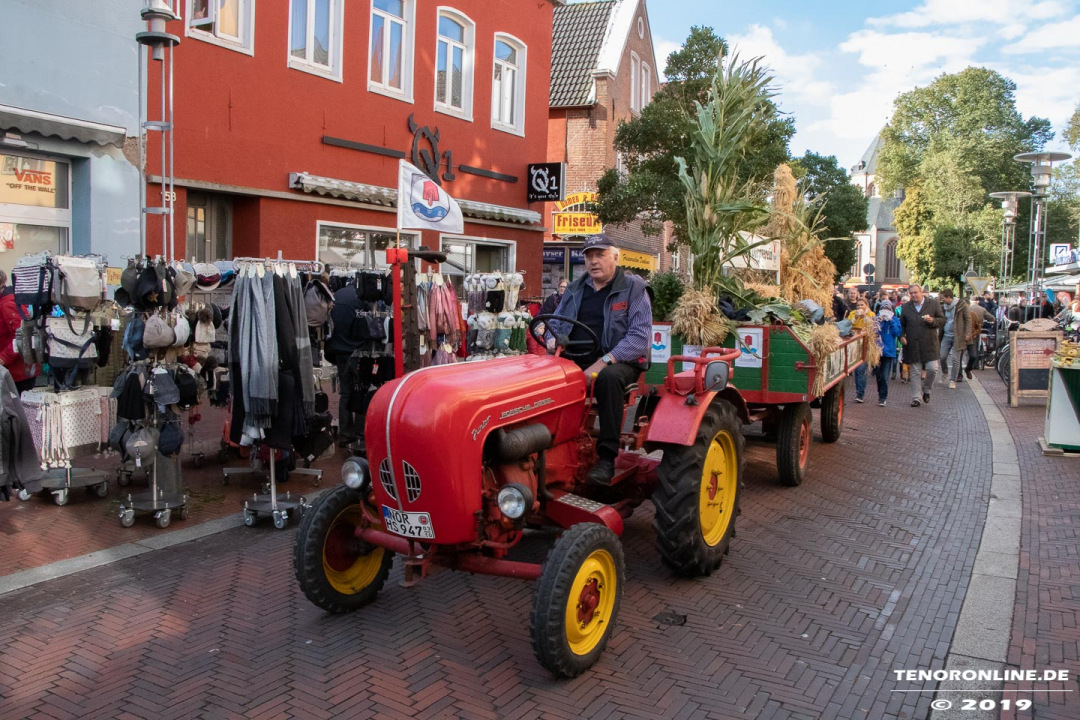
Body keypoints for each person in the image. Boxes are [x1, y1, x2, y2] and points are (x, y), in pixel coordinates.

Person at [548, 234, 651, 484]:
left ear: (615, 256)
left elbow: (639, 338)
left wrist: (604, 360)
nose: (593, 261)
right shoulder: (574, 289)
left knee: (606, 379)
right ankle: (551, 445)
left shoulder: (634, 289)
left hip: (620, 361)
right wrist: (552, 339)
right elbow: (555, 323)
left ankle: (606, 457)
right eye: (589, 255)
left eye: (600, 255)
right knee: (543, 378)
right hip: (576, 356)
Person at [325, 281, 365, 449]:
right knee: (362, 392)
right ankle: (360, 433)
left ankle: (345, 433)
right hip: (359, 350)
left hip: (340, 350)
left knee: (346, 393)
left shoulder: (336, 295)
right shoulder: (361, 297)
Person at [899, 284, 944, 407]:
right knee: (915, 371)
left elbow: (941, 320)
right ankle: (916, 397)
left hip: (929, 343)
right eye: (911, 293)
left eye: (915, 292)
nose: (913, 295)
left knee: (932, 368)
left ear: (921, 292)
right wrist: (902, 336)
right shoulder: (906, 307)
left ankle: (927, 389)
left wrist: (933, 321)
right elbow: (901, 325)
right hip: (913, 343)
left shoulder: (933, 304)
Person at [0, 270, 36, 393]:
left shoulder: (8, 305)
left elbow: (22, 336)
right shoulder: (8, 302)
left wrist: (3, 358)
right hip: (13, 372)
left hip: (17, 374)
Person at [938, 288, 969, 388]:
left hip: (958, 336)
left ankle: (952, 380)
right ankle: (945, 372)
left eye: (944, 298)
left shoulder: (961, 305)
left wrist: (967, 333)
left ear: (949, 297)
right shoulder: (943, 307)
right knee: (942, 357)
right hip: (946, 335)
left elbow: (968, 319)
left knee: (956, 359)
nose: (943, 300)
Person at [846, 298, 875, 402]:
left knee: (861, 369)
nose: (859, 307)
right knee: (856, 371)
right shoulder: (853, 313)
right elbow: (847, 325)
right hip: (854, 345)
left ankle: (860, 394)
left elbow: (873, 326)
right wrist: (855, 317)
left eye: (862, 305)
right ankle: (858, 391)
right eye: (858, 305)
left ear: (866, 305)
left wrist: (865, 317)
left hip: (866, 344)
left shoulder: (871, 314)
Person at [875, 300, 902, 406]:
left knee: (885, 375)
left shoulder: (895, 320)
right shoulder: (876, 319)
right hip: (877, 351)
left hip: (889, 352)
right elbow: (873, 332)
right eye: (883, 309)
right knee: (878, 375)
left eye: (887, 309)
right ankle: (880, 392)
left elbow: (896, 333)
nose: (885, 311)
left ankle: (883, 397)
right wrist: (878, 321)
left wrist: (891, 321)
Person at [966, 298, 991, 378]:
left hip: (971, 336)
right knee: (962, 356)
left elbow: (977, 327)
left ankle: (966, 370)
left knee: (970, 355)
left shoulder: (972, 314)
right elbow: (990, 317)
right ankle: (961, 373)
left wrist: (974, 333)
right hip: (967, 337)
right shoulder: (982, 309)